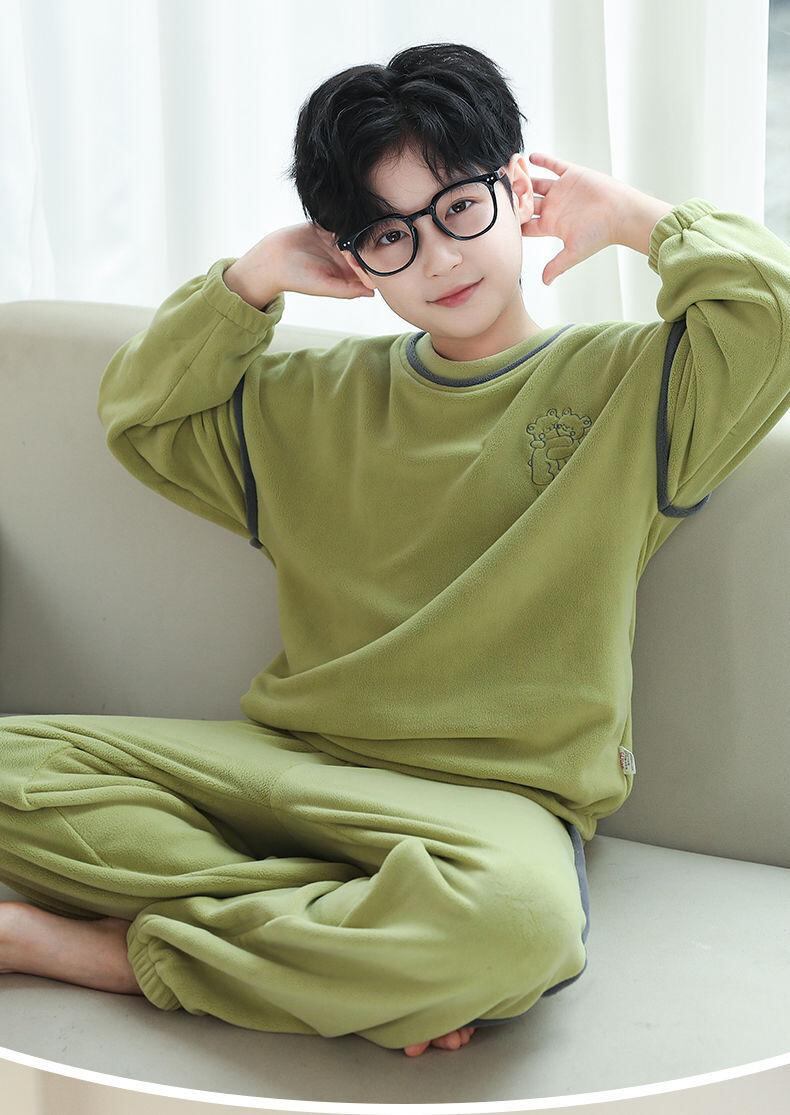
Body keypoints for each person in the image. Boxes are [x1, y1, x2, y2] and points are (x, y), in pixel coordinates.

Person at [2, 41, 789, 1059]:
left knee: (515, 928)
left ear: (516, 188)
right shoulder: (310, 401)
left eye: (459, 207)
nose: (438, 258)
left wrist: (637, 218)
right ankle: (346, 933)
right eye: (388, 236)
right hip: (291, 769)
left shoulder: (631, 386)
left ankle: (121, 951)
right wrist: (249, 282)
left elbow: (770, 318)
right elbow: (142, 416)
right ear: (350, 255)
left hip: (490, 811)